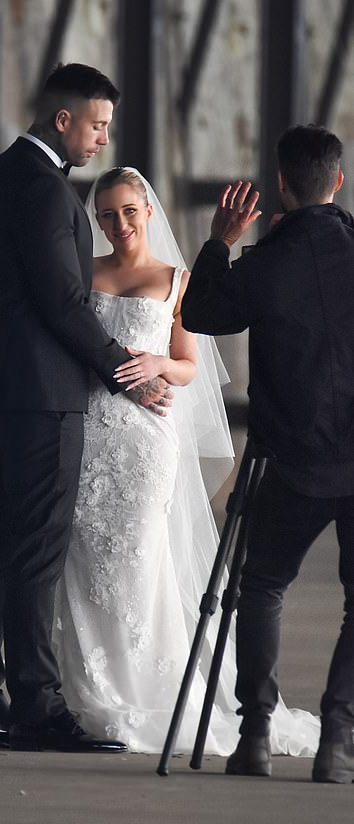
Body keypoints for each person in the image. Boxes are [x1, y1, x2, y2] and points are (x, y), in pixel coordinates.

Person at [51, 166, 318, 756]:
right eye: (106, 216)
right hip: (91, 435)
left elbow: (190, 367)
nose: (118, 225)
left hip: (146, 442)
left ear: (148, 211)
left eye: (128, 211)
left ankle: (152, 686)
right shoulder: (82, 274)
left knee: (143, 556)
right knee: (83, 557)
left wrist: (155, 366)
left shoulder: (177, 280)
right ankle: (89, 692)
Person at [0, 63, 172, 753]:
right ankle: (37, 710)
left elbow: (4, 287)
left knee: (1, 547)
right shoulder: (47, 191)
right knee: (38, 551)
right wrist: (126, 374)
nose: (103, 138)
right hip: (40, 395)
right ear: (63, 119)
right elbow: (62, 303)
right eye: (98, 124)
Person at [181, 124, 354, 782]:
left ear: (281, 183)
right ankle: (337, 742)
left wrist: (220, 243)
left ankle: (252, 737)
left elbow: (198, 312)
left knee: (261, 588)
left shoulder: (265, 261)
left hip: (291, 459)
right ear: (336, 181)